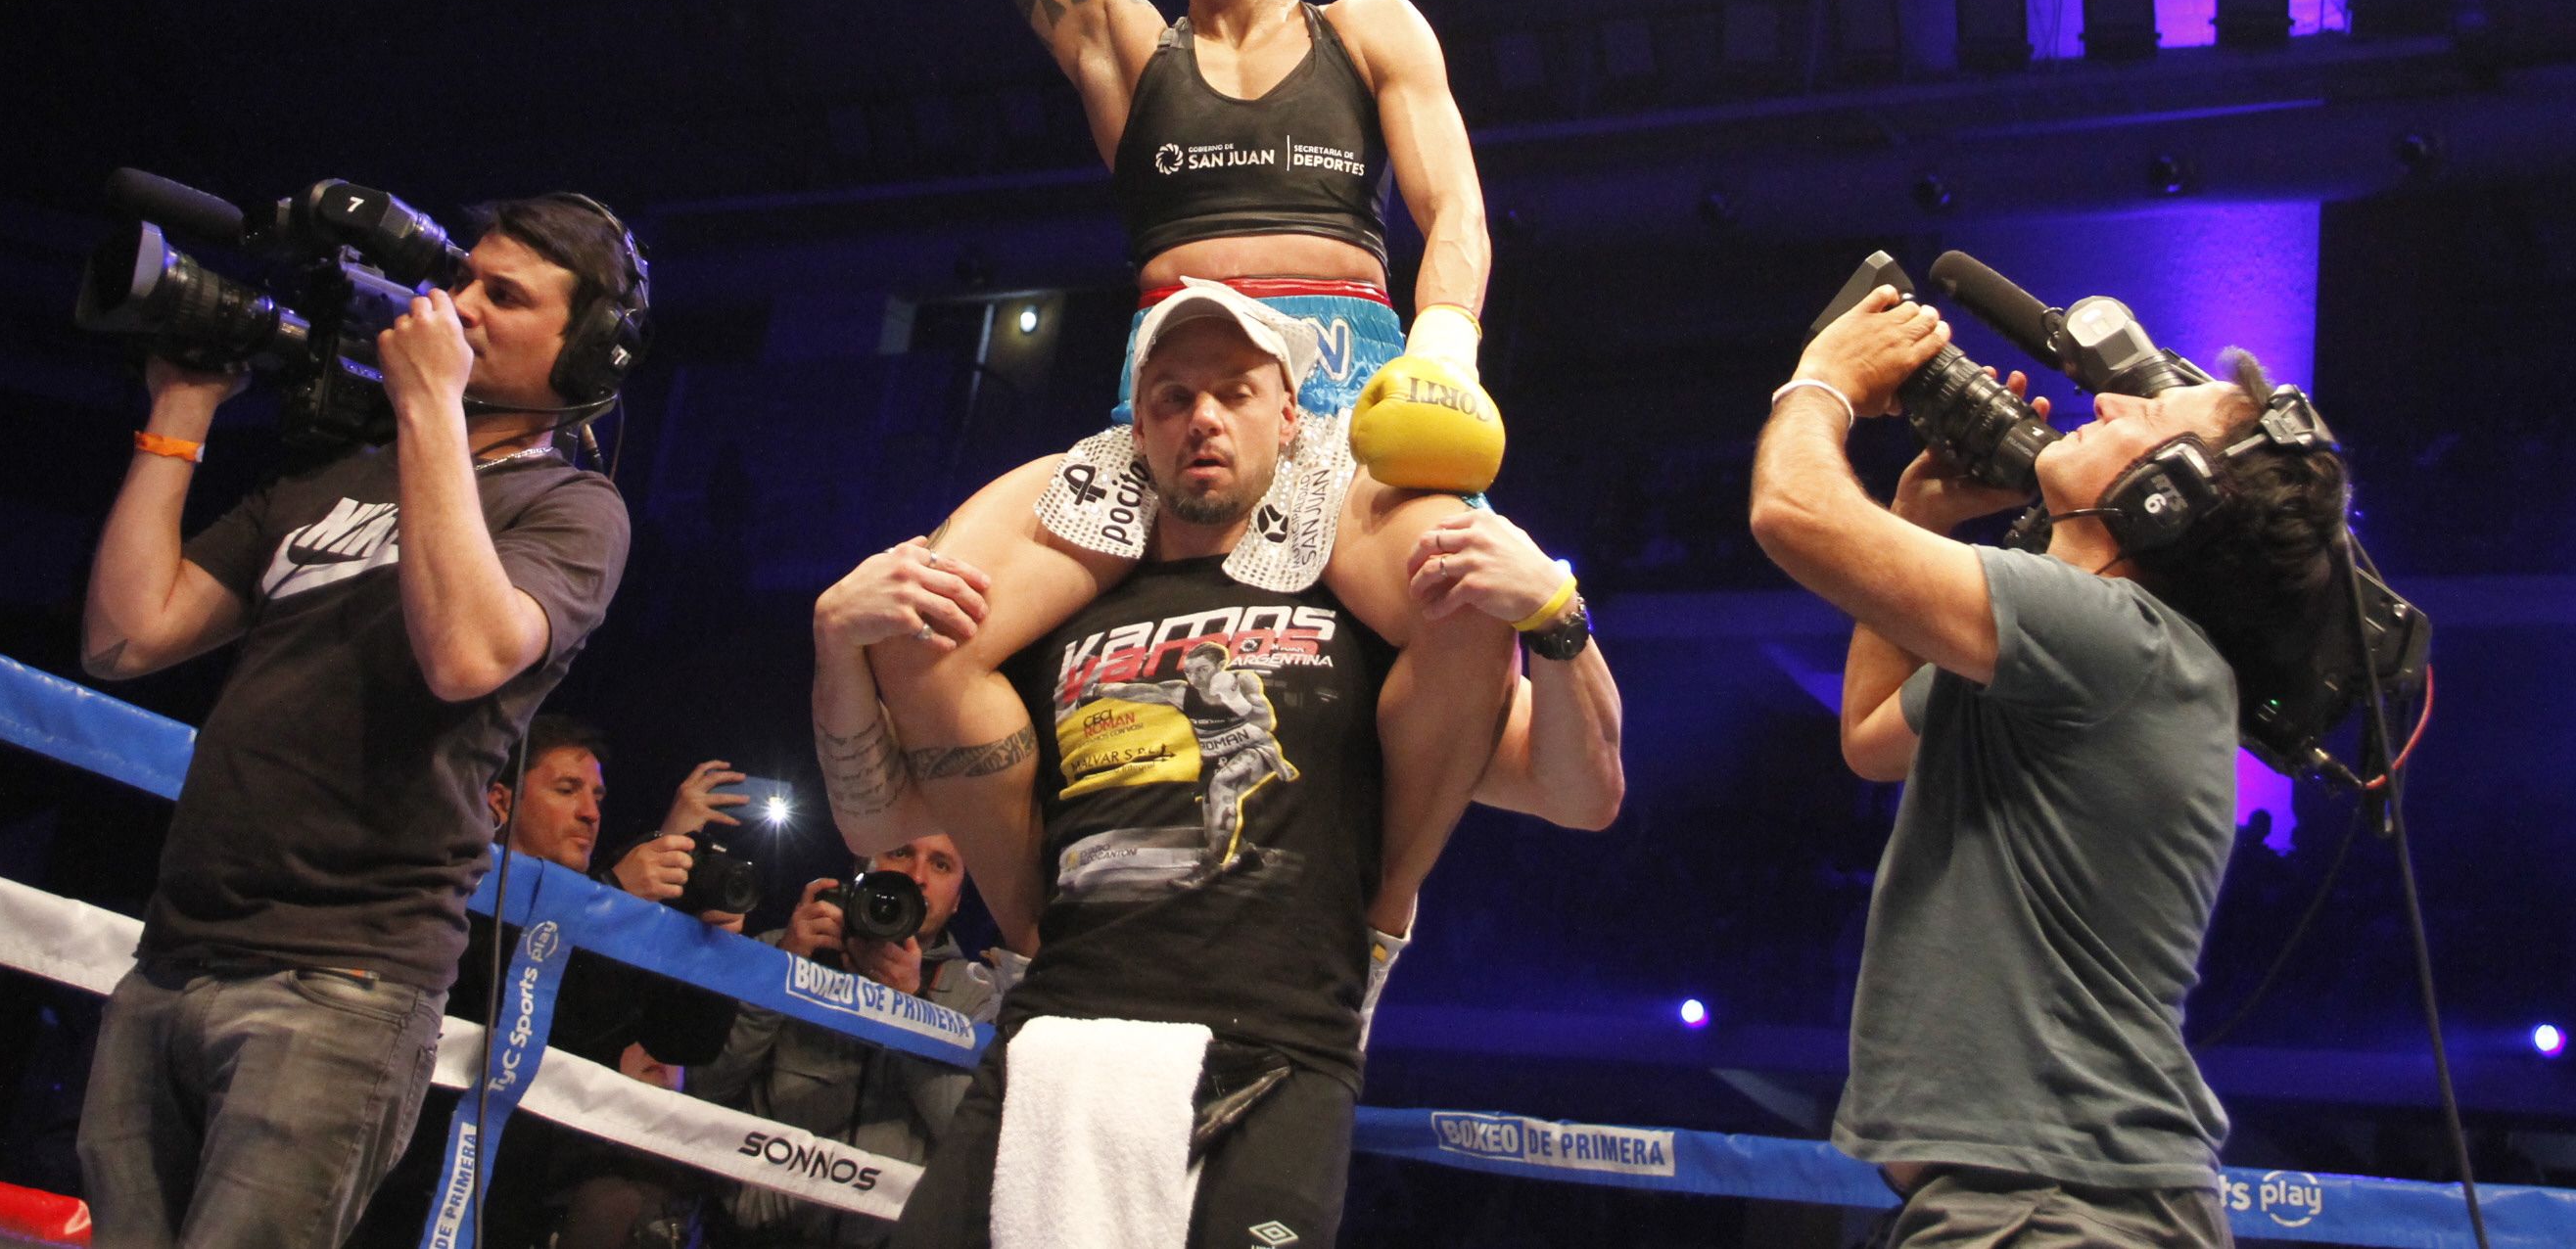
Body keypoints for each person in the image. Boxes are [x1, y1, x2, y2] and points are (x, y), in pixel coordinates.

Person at [864, 0, 1515, 960]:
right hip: (1165, 402)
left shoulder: (1371, 30)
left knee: (1479, 622)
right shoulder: (1121, 44)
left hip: (1349, 394)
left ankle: (1381, 910)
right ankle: (1041, 937)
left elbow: (1456, 209)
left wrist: (1448, 349)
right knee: (932, 627)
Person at [815, 286, 1624, 1248]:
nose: (1202, 416)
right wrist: (836, 645)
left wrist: (1556, 617)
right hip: (1060, 1020)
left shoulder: (1372, 615)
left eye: (1235, 392)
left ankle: (1371, 917)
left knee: (1471, 624)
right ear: (1137, 432)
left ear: (1290, 419)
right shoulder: (1052, 623)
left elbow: (1584, 795)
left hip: (1281, 1041)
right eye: (1172, 396)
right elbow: (874, 822)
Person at [76, 194, 647, 1249]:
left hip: (341, 980)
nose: (460, 306)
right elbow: (126, 636)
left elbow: (466, 654)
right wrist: (181, 414)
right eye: (463, 279)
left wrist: (430, 406)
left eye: (504, 296)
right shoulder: (338, 479)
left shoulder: (570, 508)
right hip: (175, 955)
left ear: (582, 357)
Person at [1748, 287, 2350, 1248]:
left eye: (2146, 414)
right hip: (2050, 1203)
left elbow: (1793, 512)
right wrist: (1919, 514)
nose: (2106, 402)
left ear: (2165, 503)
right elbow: (1871, 735)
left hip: (2058, 1209)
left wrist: (1822, 381)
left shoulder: (2117, 636)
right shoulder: (2090, 655)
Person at [350, 717, 751, 1249]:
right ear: (500, 800)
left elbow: (684, 1042)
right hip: (412, 1180)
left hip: (534, 1198)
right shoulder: (451, 885)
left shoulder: (613, 905)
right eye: (566, 790)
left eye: (597, 796)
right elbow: (505, 998)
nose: (590, 812)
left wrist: (708, 948)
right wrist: (615, 901)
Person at [692, 836, 993, 1248]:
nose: (917, 876)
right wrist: (782, 972)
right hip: (757, 1236)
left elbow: (966, 1134)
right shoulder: (779, 950)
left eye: (941, 865)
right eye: (900, 852)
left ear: (957, 899)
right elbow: (705, 1086)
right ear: (862, 865)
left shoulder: (977, 994)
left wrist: (911, 1010)